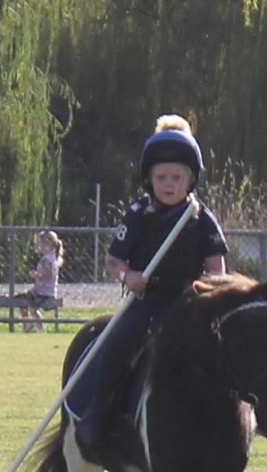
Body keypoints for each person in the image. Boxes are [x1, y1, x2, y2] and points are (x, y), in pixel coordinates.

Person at [74, 113, 228, 452]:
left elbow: (217, 269)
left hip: (190, 304)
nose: (169, 184)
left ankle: (231, 417)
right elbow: (113, 261)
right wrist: (129, 277)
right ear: (149, 179)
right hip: (148, 300)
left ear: (191, 180)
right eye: (161, 177)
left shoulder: (202, 219)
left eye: (176, 177)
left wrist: (207, 288)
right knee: (119, 338)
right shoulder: (139, 214)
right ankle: (99, 411)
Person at [18, 230, 64, 333]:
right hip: (41, 291)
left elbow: (49, 275)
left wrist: (36, 275)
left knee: (24, 302)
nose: (39, 247)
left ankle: (30, 324)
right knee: (24, 301)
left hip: (45, 294)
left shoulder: (48, 259)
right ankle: (35, 327)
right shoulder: (48, 258)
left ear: (48, 244)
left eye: (40, 244)